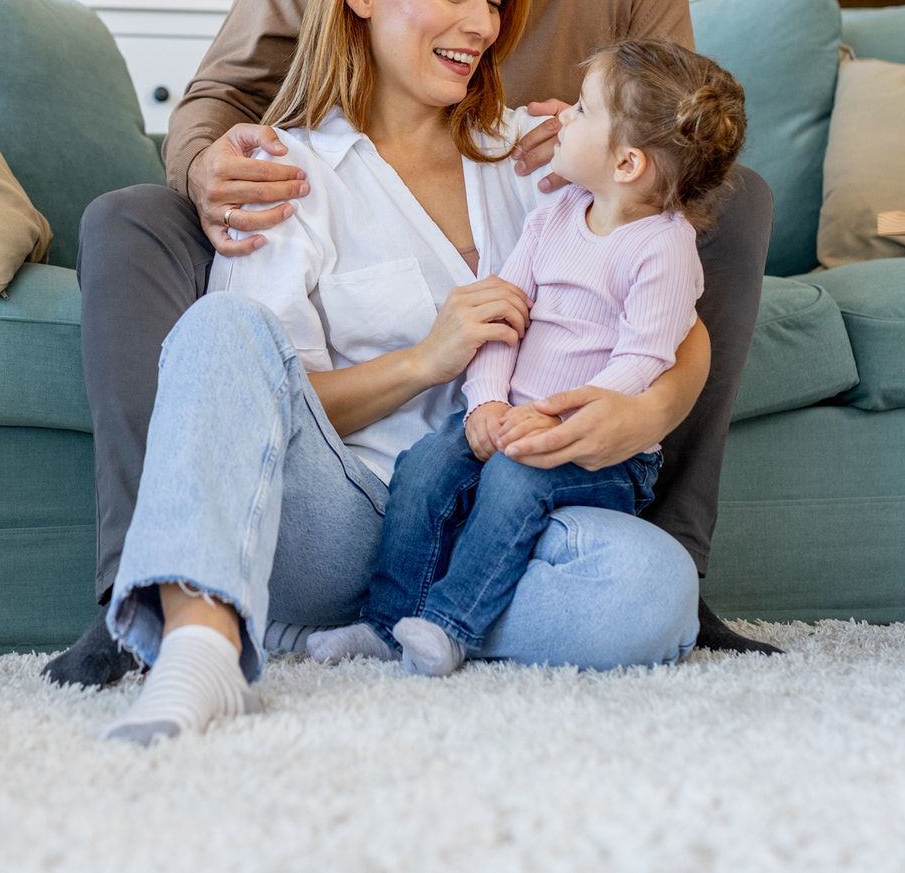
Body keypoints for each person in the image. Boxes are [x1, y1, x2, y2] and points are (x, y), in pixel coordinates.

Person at [47, 0, 776, 691]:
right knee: (131, 221)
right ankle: (149, 591)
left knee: (733, 199)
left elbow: (663, 207)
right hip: (356, 222)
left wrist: (648, 401)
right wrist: (207, 167)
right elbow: (219, 94)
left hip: (543, 235)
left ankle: (654, 561)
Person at [102, 0, 700, 746]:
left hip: (492, 516)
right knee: (219, 327)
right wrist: (428, 358)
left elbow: (679, 320)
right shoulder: (288, 173)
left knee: (650, 587)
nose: (481, 25)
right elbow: (267, 394)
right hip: (345, 515)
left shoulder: (537, 158)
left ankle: (414, 625)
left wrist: (639, 409)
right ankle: (201, 654)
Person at [305, 39, 747, 678]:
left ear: (626, 163)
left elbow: (644, 358)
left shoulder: (663, 250)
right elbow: (502, 318)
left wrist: (555, 419)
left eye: (582, 111)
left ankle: (452, 626)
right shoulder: (557, 215)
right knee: (426, 466)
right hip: (510, 417)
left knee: (515, 478)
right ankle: (384, 621)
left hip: (596, 448)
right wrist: (486, 401)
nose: (561, 116)